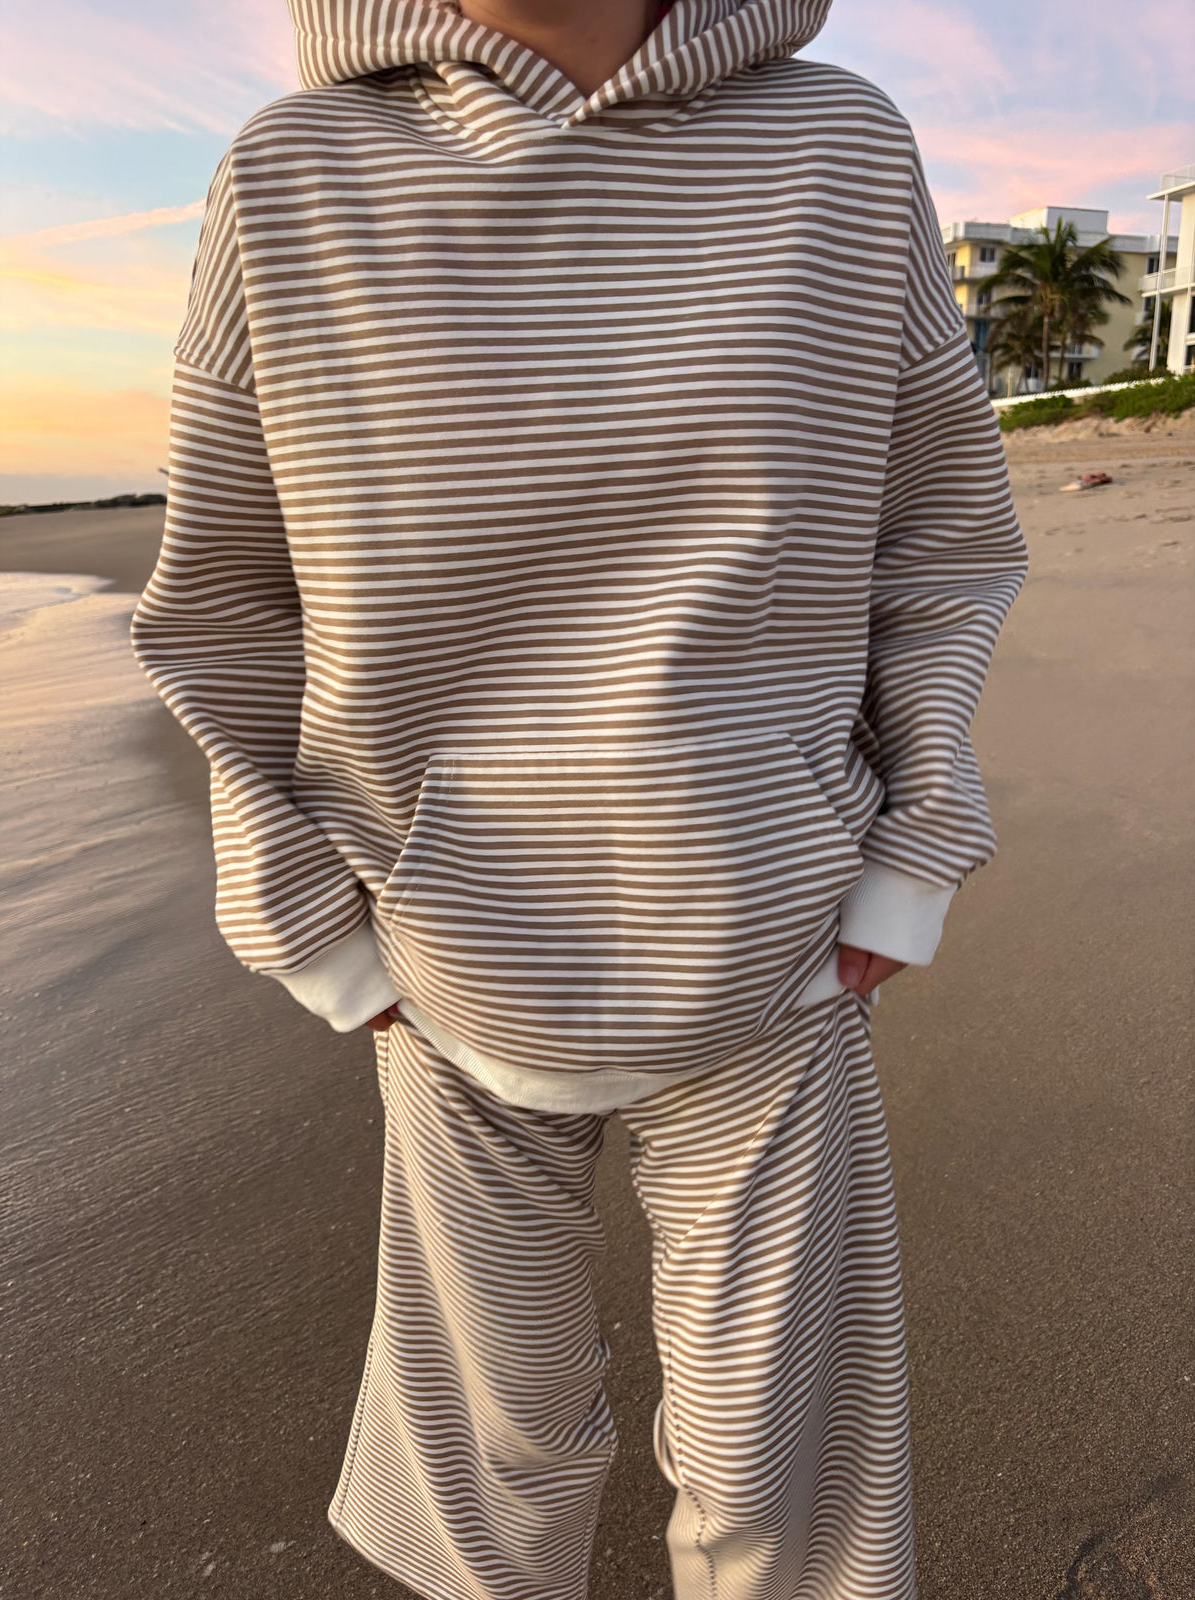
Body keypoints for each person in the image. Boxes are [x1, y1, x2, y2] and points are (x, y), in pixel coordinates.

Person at [131, 1, 1027, 1596]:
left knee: (786, 1481)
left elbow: (939, 531)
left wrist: (912, 854)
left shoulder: (839, 147)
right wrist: (317, 930)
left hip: (777, 945)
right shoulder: (293, 174)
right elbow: (226, 601)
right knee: (492, 1468)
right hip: (441, 954)